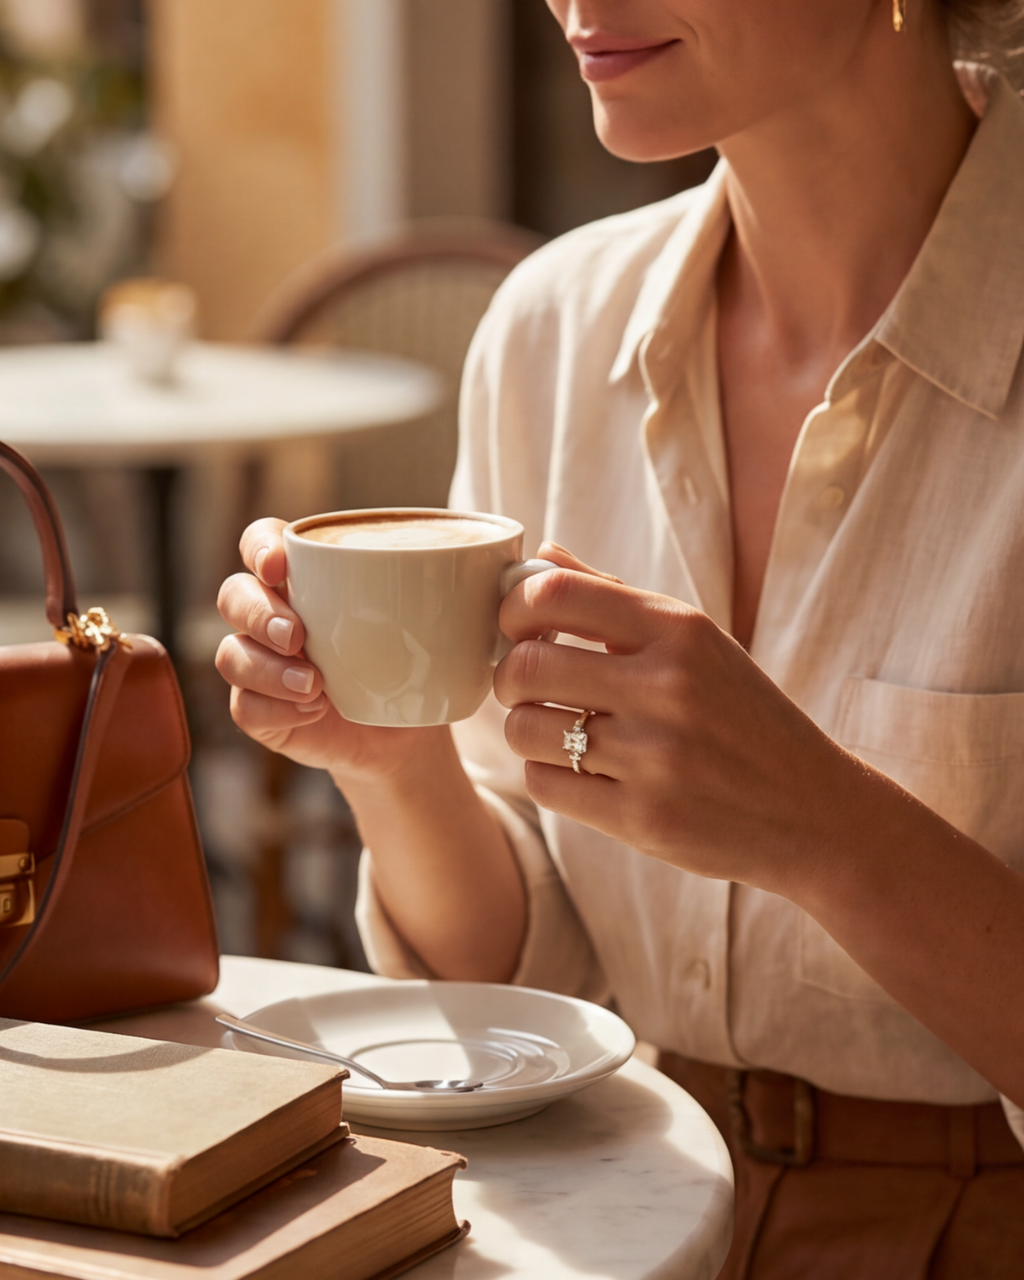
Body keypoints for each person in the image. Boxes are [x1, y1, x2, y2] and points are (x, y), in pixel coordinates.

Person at [216, 0, 1024, 1273]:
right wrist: (392, 761)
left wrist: (825, 825)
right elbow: (530, 977)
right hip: (608, 1201)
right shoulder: (552, 329)